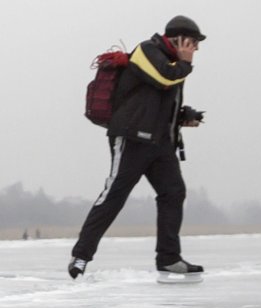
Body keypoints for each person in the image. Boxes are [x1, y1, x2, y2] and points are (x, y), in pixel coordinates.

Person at [70, 17, 207, 280]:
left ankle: (169, 258)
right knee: (115, 195)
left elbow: (156, 99)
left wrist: (182, 116)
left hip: (160, 143)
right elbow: (163, 80)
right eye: (193, 43)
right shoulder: (147, 51)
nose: (196, 49)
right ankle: (81, 256)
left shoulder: (174, 63)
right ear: (178, 39)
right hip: (132, 138)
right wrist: (186, 63)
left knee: (173, 192)